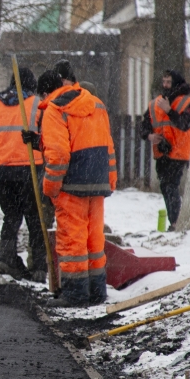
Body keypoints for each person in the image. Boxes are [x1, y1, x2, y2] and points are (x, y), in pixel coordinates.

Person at [29, 70, 117, 307]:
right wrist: (111, 179)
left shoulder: (55, 110)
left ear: (46, 92)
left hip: (71, 184)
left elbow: (57, 156)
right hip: (97, 182)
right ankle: (96, 291)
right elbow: (108, 145)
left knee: (72, 241)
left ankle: (75, 294)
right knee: (94, 240)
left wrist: (51, 187)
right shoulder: (97, 104)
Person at [0, 67, 46, 281]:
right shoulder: (37, 104)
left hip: (2, 170)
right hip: (29, 168)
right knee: (35, 219)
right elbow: (47, 135)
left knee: (11, 216)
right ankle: (39, 267)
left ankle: (6, 259)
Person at [139, 70, 190, 229]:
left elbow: (184, 124)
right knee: (165, 187)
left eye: (168, 82)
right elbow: (143, 126)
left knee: (171, 186)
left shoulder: (187, 102)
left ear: (176, 83)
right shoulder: (154, 104)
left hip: (179, 153)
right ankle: (175, 221)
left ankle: (176, 222)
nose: (165, 85)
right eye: (163, 81)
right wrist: (149, 136)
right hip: (162, 152)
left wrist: (169, 111)